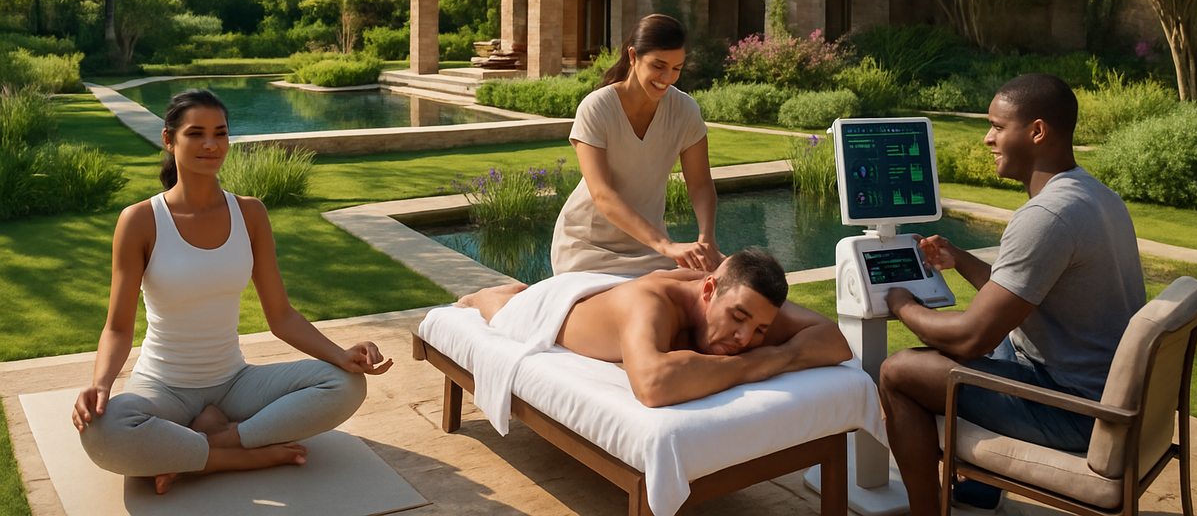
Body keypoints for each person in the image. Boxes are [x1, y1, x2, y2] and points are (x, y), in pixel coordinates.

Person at [73, 89, 393, 494]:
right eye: (196, 133)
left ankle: (207, 446)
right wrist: (101, 385)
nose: (211, 144)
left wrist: (340, 354)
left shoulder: (250, 213)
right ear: (169, 140)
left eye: (220, 133)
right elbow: (118, 328)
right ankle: (242, 455)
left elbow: (281, 315)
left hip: (235, 383)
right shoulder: (140, 220)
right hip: (162, 386)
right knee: (102, 431)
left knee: (346, 385)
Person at [878, 73, 1145, 513]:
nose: (987, 138)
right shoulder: (1095, 195)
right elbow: (1024, 296)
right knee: (997, 329)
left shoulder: (1047, 215)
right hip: (1100, 390)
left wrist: (902, 304)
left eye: (998, 127)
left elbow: (969, 338)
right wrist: (959, 258)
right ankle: (981, 488)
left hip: (1077, 411)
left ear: (1037, 131)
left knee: (900, 371)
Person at [460, 249, 852, 407]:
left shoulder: (747, 302)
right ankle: (496, 292)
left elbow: (836, 343)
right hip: (552, 307)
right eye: (738, 319)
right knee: (502, 309)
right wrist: (758, 364)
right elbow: (652, 385)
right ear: (709, 290)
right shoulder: (650, 303)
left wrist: (777, 353)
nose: (745, 339)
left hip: (612, 294)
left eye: (760, 330)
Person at [552, 13, 721, 276]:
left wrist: (706, 238)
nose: (667, 77)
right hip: (587, 249)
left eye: (677, 68)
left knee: (723, 287)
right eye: (658, 66)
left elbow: (699, 183)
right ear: (633, 57)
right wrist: (666, 245)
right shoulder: (597, 108)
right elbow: (602, 194)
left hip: (650, 250)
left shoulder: (685, 110)